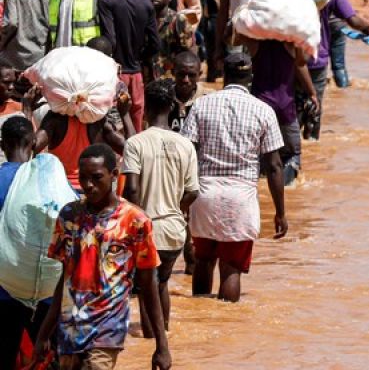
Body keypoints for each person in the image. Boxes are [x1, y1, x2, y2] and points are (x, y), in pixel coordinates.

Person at [33, 144, 170, 370]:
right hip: (70, 326)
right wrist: (44, 333)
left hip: (108, 326)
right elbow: (64, 279)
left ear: (114, 175)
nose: (88, 185)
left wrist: (162, 345)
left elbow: (148, 284)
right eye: (84, 178)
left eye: (96, 178)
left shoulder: (135, 221)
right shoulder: (69, 215)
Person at [181, 52, 286, 303]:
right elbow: (274, 166)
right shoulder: (264, 111)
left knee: (203, 261)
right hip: (241, 197)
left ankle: (200, 321)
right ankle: (224, 322)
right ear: (250, 77)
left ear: (224, 74)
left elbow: (187, 153)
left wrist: (181, 199)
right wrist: (280, 212)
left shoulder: (202, 104)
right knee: (231, 268)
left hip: (204, 193)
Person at [121, 78, 198, 337]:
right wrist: (176, 207)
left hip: (147, 230)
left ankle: (152, 341)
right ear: (172, 106)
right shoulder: (185, 144)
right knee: (161, 283)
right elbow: (193, 191)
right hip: (175, 230)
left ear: (148, 108)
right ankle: (162, 335)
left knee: (146, 288)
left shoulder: (135, 144)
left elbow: (131, 189)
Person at [244, 0, 315, 184]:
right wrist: (311, 92)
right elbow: (301, 62)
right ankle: (283, 190)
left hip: (258, 103)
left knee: (257, 157)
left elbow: (232, 38)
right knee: (292, 155)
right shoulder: (289, 40)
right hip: (285, 106)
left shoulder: (254, 37)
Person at [0, 117, 59, 370]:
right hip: (45, 292)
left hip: (4, 289)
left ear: (3, 145)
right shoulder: (50, 179)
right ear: (34, 143)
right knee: (53, 358)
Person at [299, 0, 369, 140]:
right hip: (316, 57)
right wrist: (367, 29)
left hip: (290, 56)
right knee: (314, 106)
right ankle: (312, 143)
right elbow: (352, 20)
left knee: (292, 109)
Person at [98, 0, 159, 131]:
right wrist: (140, 57)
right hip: (137, 73)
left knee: (114, 125)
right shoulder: (146, 3)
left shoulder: (106, 1)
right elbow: (155, 43)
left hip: (115, 73)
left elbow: (110, 40)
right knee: (137, 123)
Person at [148, 0, 195, 80]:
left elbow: (189, 51)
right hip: (147, 78)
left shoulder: (179, 20)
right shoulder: (144, 20)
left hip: (170, 79)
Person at [168, 51, 201, 133]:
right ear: (172, 72)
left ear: (199, 75)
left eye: (191, 75)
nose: (186, 80)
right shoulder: (163, 98)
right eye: (181, 74)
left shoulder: (208, 99)